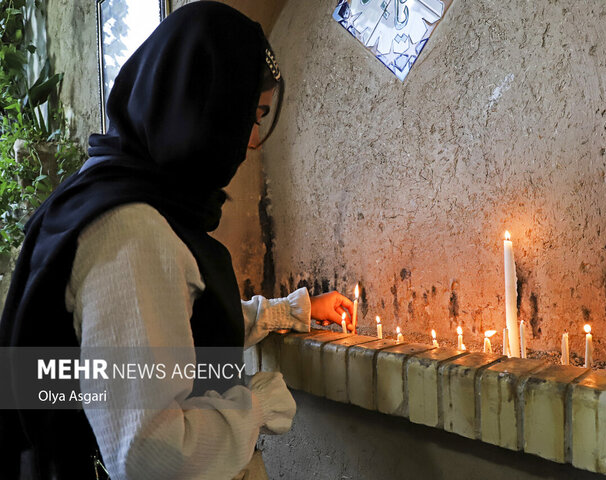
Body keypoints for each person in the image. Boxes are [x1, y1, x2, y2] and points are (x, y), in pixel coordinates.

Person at [0, 2, 353, 478]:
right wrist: (256, 407)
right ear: (206, 109)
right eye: (250, 115)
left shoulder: (109, 190)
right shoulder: (132, 232)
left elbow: (170, 328)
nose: (250, 140)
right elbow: (149, 454)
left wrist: (288, 311)